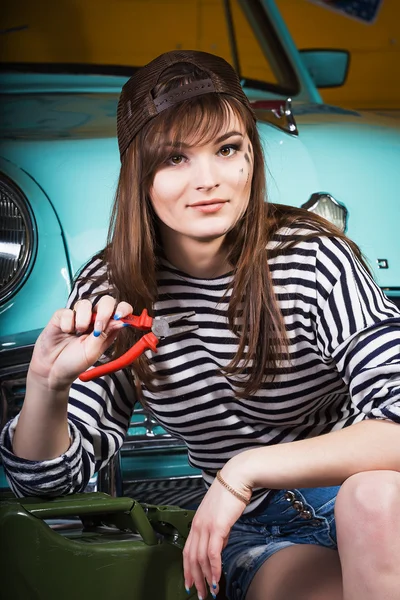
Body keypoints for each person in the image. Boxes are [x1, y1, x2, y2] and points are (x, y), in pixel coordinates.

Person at [1, 50, 400, 600]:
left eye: (227, 149)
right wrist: (47, 385)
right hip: (250, 533)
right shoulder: (113, 287)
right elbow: (45, 484)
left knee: (375, 499)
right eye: (175, 159)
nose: (208, 180)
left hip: (363, 500)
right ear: (139, 175)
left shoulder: (310, 258)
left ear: (250, 158)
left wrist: (245, 469)